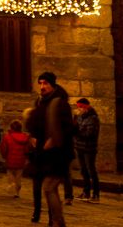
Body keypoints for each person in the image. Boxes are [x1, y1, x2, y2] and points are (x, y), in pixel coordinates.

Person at [33, 72, 75, 226]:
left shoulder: (60, 103)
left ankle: (58, 222)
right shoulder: (41, 102)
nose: (42, 86)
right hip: (45, 154)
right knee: (49, 188)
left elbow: (68, 128)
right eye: (40, 83)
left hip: (59, 154)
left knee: (49, 187)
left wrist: (53, 140)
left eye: (45, 83)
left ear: (52, 85)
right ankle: (55, 221)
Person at [0, 119, 34, 201]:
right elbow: (27, 149)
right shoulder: (25, 137)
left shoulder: (7, 137)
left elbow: (4, 148)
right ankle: (17, 193)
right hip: (21, 160)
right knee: (18, 176)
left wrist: (4, 156)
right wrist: (26, 158)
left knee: (10, 174)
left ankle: (12, 184)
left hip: (10, 159)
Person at [73, 99, 102, 201]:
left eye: (81, 107)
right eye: (78, 107)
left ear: (86, 107)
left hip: (89, 148)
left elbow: (90, 134)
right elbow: (76, 128)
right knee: (83, 170)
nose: (79, 109)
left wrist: (77, 132)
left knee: (91, 170)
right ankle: (86, 192)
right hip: (79, 146)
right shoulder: (79, 117)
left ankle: (96, 194)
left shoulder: (93, 118)